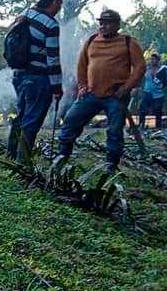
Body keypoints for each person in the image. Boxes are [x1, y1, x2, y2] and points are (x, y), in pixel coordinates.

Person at [57, 9, 145, 173]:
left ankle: (110, 165)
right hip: (90, 93)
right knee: (70, 120)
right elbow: (81, 66)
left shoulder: (128, 41)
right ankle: (62, 156)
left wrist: (126, 88)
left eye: (108, 22)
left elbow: (140, 67)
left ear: (117, 25)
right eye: (101, 22)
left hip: (116, 94)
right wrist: (82, 86)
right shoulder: (91, 41)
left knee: (114, 130)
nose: (103, 26)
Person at [8, 0, 64, 160]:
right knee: (31, 122)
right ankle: (22, 161)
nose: (59, 8)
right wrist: (57, 87)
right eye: (59, 4)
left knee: (21, 116)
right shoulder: (51, 24)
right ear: (55, 2)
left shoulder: (26, 13)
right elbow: (52, 59)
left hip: (19, 75)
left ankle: (10, 154)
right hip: (39, 79)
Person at [138, 52, 166, 129]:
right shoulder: (147, 69)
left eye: (154, 59)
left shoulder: (163, 70)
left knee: (158, 112)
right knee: (142, 110)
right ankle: (141, 126)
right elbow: (141, 79)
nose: (152, 61)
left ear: (158, 60)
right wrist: (140, 89)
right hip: (147, 92)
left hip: (158, 94)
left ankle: (158, 128)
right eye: (151, 59)